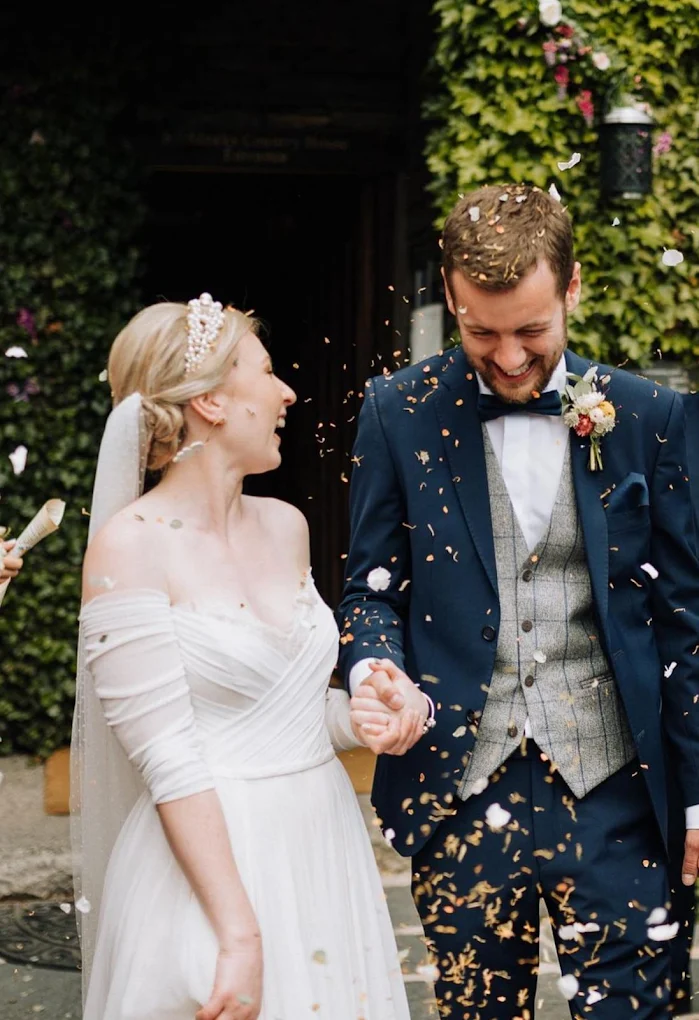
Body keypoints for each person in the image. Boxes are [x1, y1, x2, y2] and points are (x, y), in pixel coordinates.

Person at [339, 183, 699, 1019]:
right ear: (450, 296)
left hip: (620, 795)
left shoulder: (647, 415)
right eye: (480, 331)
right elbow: (369, 587)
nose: (506, 358)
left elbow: (686, 617)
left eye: (531, 330)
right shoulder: (398, 413)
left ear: (571, 288)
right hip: (459, 796)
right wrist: (373, 667)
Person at [71, 294, 418, 1020]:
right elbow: (167, 754)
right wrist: (237, 931)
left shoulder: (285, 526)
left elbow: (282, 713)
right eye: (265, 372)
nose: (287, 392)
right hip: (211, 869)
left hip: (321, 847)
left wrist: (363, 718)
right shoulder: (129, 546)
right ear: (212, 405)